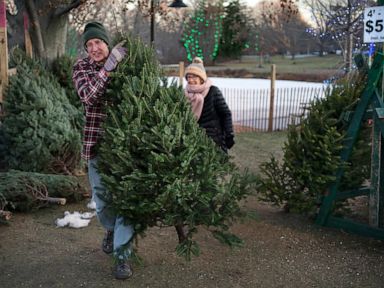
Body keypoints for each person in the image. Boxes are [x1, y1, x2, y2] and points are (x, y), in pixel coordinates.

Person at [72, 21, 134, 280]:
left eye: (98, 42)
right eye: (89, 44)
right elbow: (88, 96)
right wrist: (108, 69)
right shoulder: (81, 67)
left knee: (126, 201)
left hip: (126, 147)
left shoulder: (127, 65)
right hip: (96, 145)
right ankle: (109, 229)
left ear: (107, 43)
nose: (94, 48)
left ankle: (122, 255)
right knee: (102, 197)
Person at [184, 57, 235, 152]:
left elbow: (225, 114)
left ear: (201, 78)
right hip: (192, 142)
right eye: (189, 77)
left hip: (214, 141)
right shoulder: (185, 95)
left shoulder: (213, 91)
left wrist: (229, 134)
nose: (191, 80)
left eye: (194, 76)